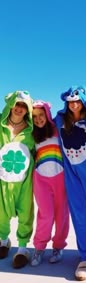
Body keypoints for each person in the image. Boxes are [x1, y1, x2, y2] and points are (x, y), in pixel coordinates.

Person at [54, 86, 86, 281]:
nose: (74, 104)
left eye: (77, 100)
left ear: (83, 101)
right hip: (72, 175)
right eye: (70, 101)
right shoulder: (60, 121)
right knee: (79, 212)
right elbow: (39, 120)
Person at [30, 100, 70, 266]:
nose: (38, 119)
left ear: (47, 114)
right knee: (45, 214)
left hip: (60, 177)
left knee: (61, 215)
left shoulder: (56, 130)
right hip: (41, 178)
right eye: (34, 117)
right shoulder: (32, 135)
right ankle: (39, 248)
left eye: (41, 115)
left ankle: (58, 246)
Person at [0, 91, 35, 269]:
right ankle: (3, 240)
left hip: (24, 179)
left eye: (24, 106)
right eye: (17, 104)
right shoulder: (0, 125)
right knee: (1, 210)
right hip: (2, 178)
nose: (19, 108)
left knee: (25, 211)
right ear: (11, 104)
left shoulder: (31, 129)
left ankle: (22, 248)